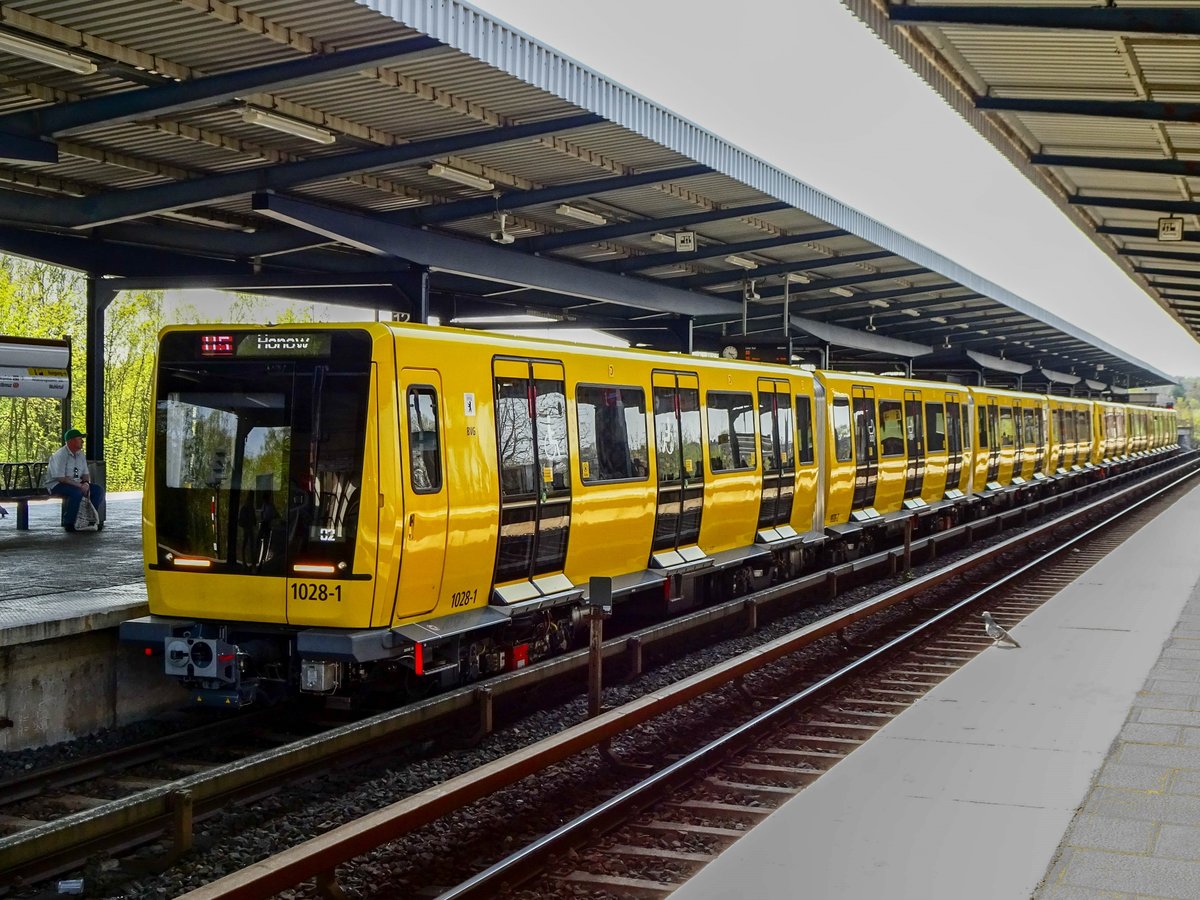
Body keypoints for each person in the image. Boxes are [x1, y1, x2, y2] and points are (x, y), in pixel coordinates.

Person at [45, 428, 105, 532]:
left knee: (98, 490)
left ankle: (90, 519)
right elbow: (61, 478)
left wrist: (86, 483)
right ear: (71, 441)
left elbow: (86, 474)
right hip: (57, 484)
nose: (82, 441)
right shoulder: (60, 455)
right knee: (76, 493)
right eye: (79, 439)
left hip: (75, 483)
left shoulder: (80, 454)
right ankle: (69, 522)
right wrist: (80, 486)